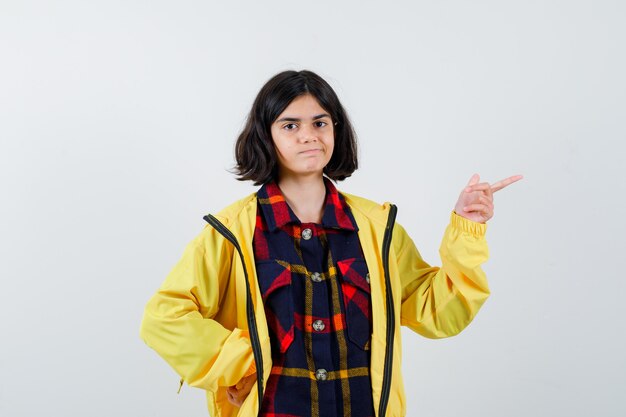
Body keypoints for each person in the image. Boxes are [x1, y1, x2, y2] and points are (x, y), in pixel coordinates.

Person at [139, 69, 522, 417]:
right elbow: (164, 316)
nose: (308, 135)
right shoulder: (231, 232)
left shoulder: (376, 228)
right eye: (290, 125)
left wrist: (466, 230)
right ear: (266, 135)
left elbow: (438, 311)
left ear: (335, 130)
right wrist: (241, 361)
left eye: (319, 122)